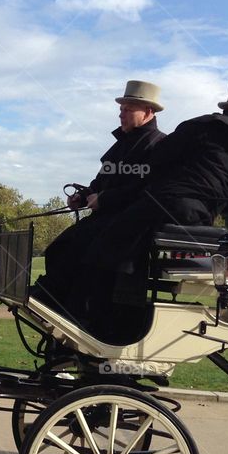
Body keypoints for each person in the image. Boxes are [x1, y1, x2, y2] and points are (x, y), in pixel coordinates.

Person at [42, 83, 228, 341]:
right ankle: (78, 309)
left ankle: (90, 317)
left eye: (128, 108)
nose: (121, 113)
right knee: (96, 243)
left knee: (104, 245)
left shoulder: (200, 126)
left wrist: (114, 197)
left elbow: (157, 164)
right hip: (198, 216)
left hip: (164, 202)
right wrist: (212, 207)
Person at [35, 80, 167, 316]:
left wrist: (105, 199)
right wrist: (82, 196)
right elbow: (100, 182)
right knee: (58, 248)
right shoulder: (121, 145)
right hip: (103, 221)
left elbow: (145, 189)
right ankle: (55, 301)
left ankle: (65, 307)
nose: (121, 115)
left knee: (81, 253)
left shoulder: (159, 145)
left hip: (127, 226)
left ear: (148, 111)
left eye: (128, 110)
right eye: (121, 109)